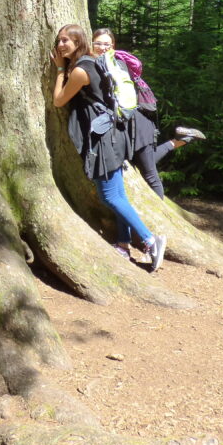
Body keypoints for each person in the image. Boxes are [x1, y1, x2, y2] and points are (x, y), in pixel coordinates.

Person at [51, 24, 166, 271]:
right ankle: (124, 243)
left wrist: (60, 70)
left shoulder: (82, 70)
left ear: (78, 42)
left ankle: (150, 240)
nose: (61, 45)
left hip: (104, 141)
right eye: (59, 41)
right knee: (118, 195)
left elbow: (59, 100)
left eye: (66, 41)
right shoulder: (94, 61)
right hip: (114, 135)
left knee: (110, 195)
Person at [92, 28, 204, 199]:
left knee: (150, 174)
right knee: (142, 161)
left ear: (112, 45)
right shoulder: (104, 64)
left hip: (138, 125)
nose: (102, 47)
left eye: (106, 44)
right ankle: (183, 139)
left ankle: (163, 218)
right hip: (130, 124)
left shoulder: (114, 65)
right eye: (98, 43)